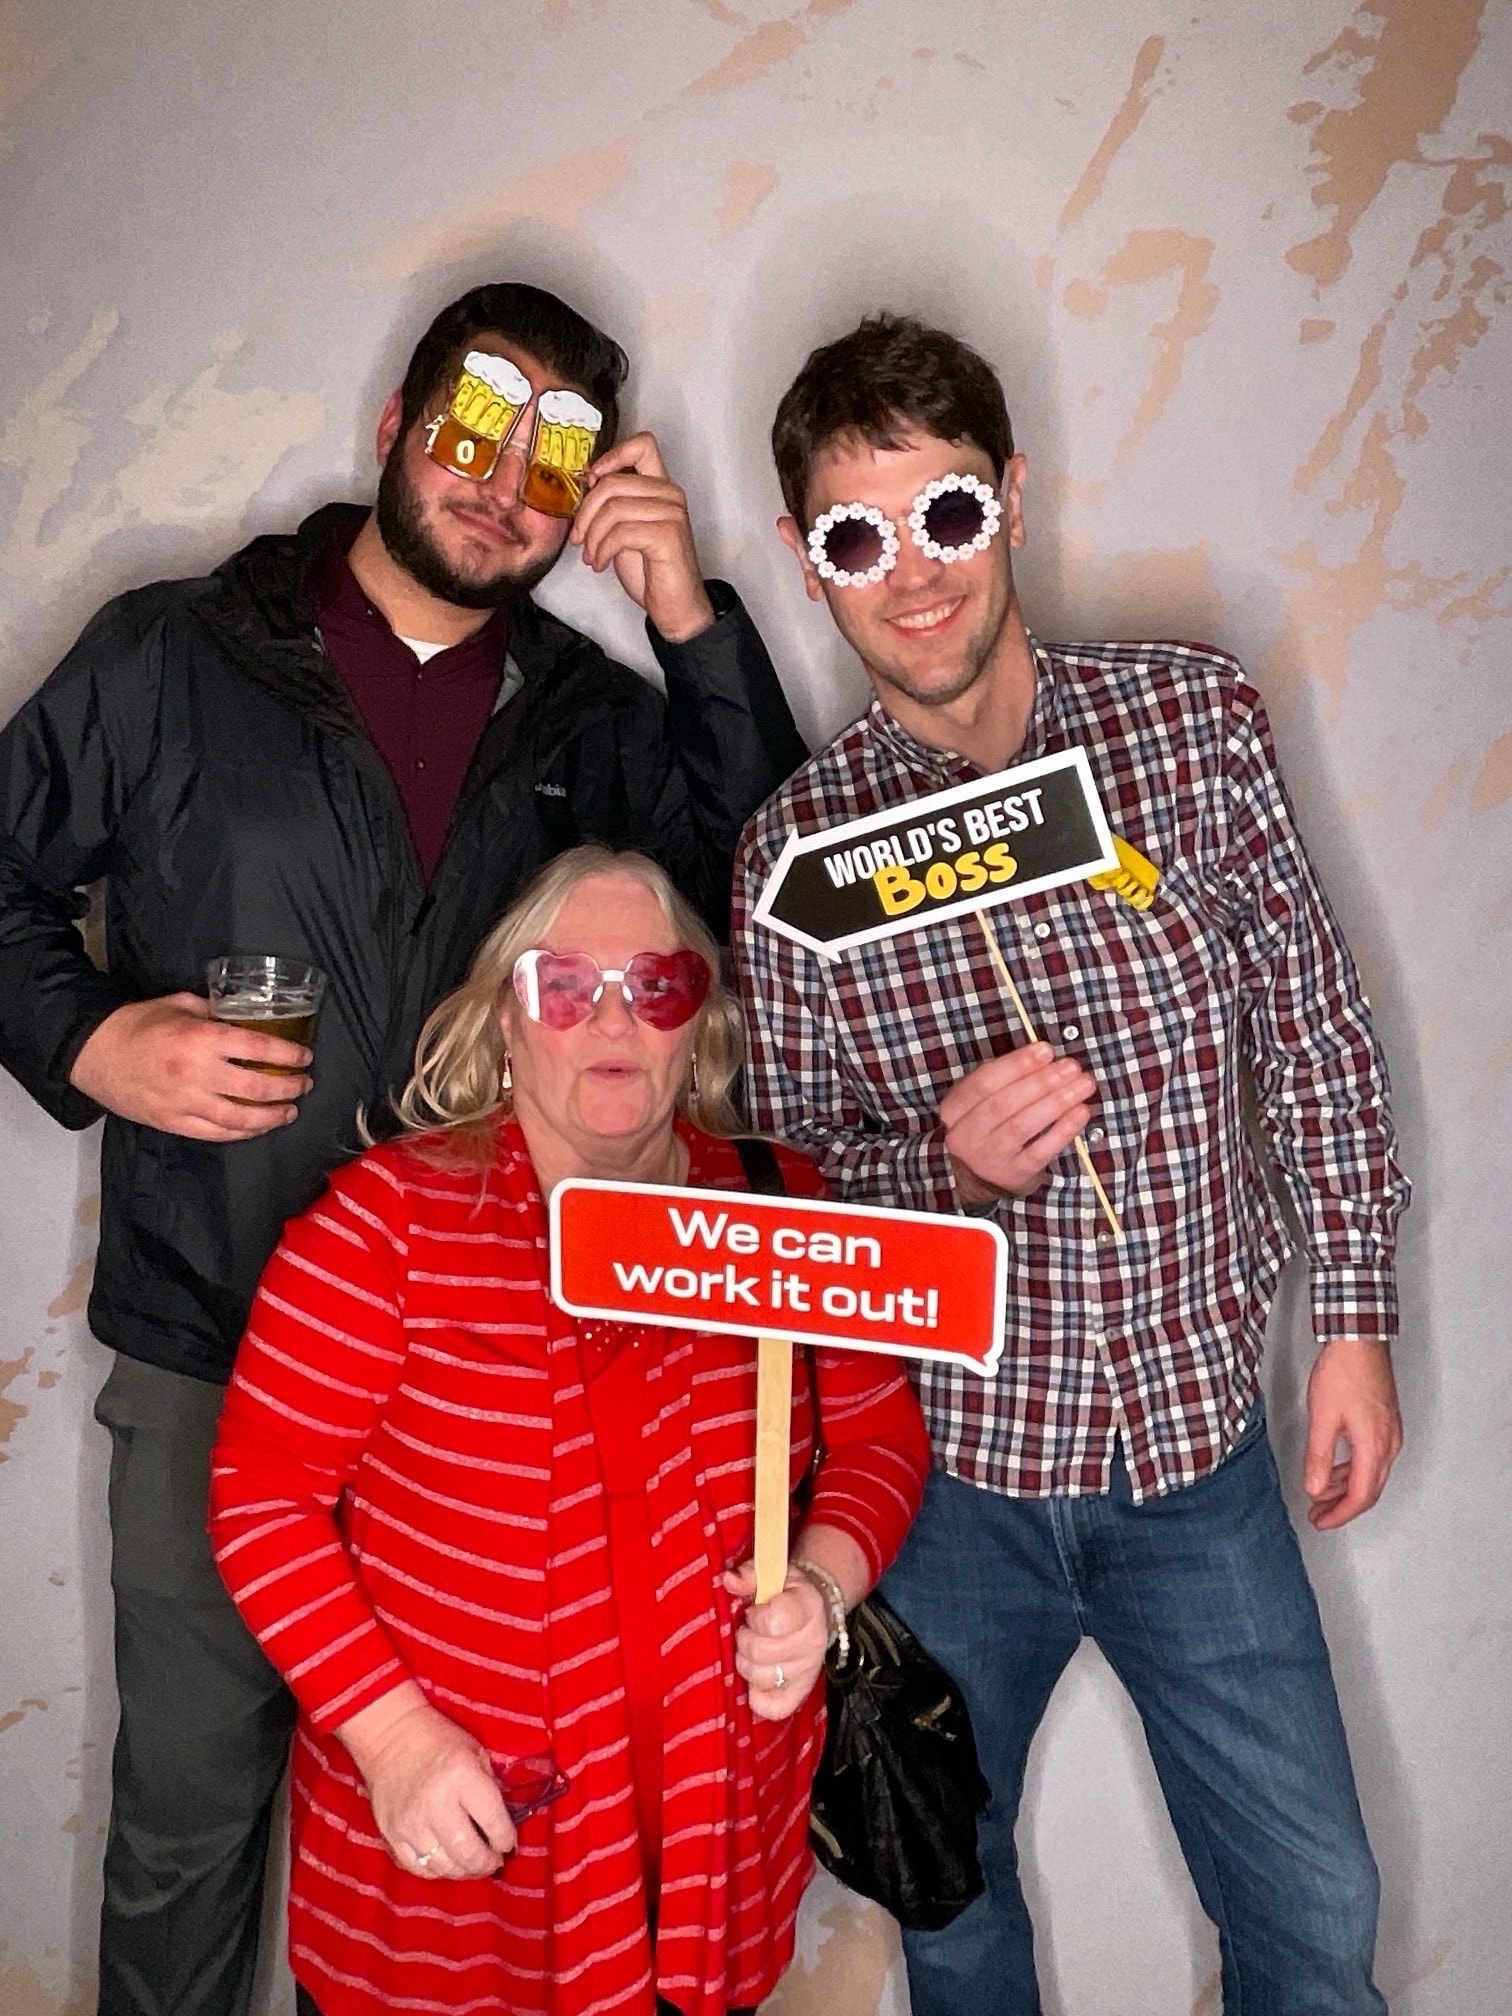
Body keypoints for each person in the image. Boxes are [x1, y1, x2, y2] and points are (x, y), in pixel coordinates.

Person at [0, 282, 806, 2016]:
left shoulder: (592, 718)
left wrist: (690, 619)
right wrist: (88, 1037)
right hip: (218, 1350)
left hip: (487, 1398)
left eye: (554, 458)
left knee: (460, 1843)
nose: (504, 484)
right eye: (472, 430)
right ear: (393, 427)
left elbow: (776, 907)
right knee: (187, 1840)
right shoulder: (169, 656)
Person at [731, 314, 1411, 2015]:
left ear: (1013, 499)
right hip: (947, 1483)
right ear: (807, 565)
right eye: (858, 537)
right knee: (950, 1915)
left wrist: (1351, 1315)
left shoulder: (1190, 721)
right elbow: (786, 1202)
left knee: (1318, 1915)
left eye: (947, 512)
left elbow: (1313, 1024)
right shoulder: (792, 858)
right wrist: (937, 1165)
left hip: (1196, 1455)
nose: (913, 574)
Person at [207, 845, 930, 2016]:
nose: (613, 1018)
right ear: (506, 1020)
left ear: (701, 1027)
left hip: (709, 1851)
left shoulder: (782, 1205)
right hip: (461, 1856)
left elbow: (878, 1443)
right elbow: (261, 1496)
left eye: (657, 987)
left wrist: (821, 1584)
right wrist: (394, 1741)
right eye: (565, 986)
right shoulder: (385, 1225)